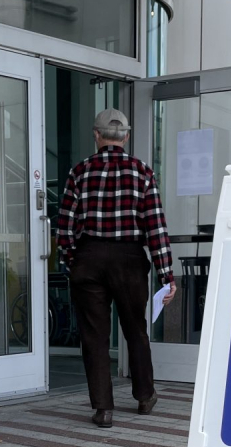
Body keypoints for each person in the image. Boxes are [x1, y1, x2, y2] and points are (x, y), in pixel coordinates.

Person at [56, 109, 175, 429]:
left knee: (93, 336)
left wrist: (73, 260)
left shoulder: (79, 172)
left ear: (96, 135)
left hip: (90, 255)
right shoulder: (142, 172)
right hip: (129, 259)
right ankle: (144, 396)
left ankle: (103, 408)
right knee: (135, 329)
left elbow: (64, 226)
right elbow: (155, 228)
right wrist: (166, 274)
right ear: (126, 136)